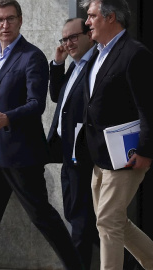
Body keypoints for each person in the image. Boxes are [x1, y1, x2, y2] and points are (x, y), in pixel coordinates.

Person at [0, 1, 84, 269]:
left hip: (20, 155)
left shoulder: (32, 56)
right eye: (0, 20)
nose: (5, 25)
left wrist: (8, 118)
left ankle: (77, 266)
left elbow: (36, 103)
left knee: (43, 218)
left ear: (20, 20)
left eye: (11, 19)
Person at [79, 0, 153, 269]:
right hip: (100, 155)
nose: (87, 21)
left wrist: (145, 151)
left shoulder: (135, 54)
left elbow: (148, 107)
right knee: (114, 220)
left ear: (110, 18)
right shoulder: (97, 53)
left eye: (91, 16)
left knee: (108, 222)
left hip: (127, 155)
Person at [46, 18, 98, 269]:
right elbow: (57, 96)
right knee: (79, 218)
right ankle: (131, 259)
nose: (68, 43)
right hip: (67, 153)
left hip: (83, 153)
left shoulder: (96, 63)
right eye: (64, 39)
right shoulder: (75, 65)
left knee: (80, 221)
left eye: (73, 37)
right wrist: (58, 63)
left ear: (89, 34)